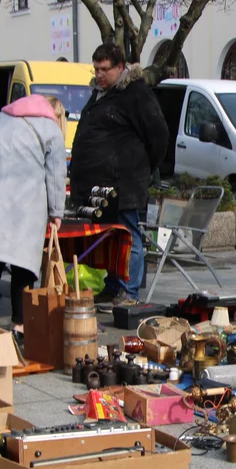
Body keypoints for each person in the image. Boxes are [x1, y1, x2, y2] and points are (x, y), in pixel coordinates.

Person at [0, 95, 66, 342]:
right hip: (26, 201)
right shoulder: (50, 129)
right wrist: (56, 211)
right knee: (24, 267)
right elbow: (56, 175)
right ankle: (19, 326)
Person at [70, 43, 168, 308]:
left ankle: (129, 291)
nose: (99, 74)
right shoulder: (100, 94)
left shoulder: (136, 93)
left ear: (120, 67)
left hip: (124, 181)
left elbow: (158, 135)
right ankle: (113, 286)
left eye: (105, 69)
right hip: (99, 184)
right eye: (96, 69)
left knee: (128, 234)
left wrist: (143, 168)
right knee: (109, 236)